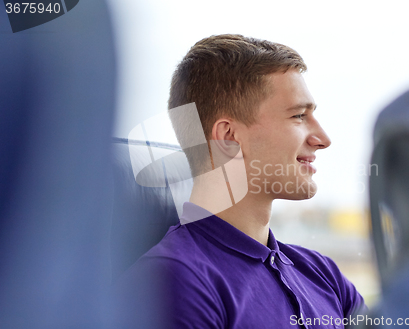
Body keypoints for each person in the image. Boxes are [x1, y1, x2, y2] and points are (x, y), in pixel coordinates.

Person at [112, 34, 366, 329]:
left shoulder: (324, 274)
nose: (323, 139)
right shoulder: (172, 281)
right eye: (298, 115)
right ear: (229, 137)